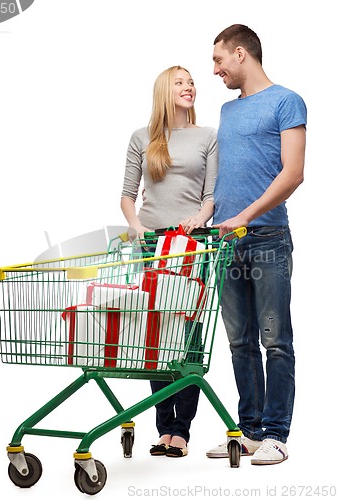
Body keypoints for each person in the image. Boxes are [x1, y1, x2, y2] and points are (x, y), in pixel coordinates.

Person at [206, 24, 307, 465]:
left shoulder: (287, 101)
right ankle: (248, 432)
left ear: (241, 54)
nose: (215, 70)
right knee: (239, 341)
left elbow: (293, 173)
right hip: (228, 244)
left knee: (275, 340)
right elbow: (225, 181)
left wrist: (245, 217)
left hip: (266, 238)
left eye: (219, 60)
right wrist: (206, 216)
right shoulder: (228, 112)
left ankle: (276, 434)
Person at [120, 65, 218, 457]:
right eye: (180, 82)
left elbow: (211, 195)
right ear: (164, 90)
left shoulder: (208, 136)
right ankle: (163, 426)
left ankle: (182, 429)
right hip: (152, 245)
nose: (189, 87)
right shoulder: (142, 138)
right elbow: (127, 194)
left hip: (192, 245)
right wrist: (136, 225)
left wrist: (200, 218)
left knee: (189, 334)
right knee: (156, 333)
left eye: (191, 82)